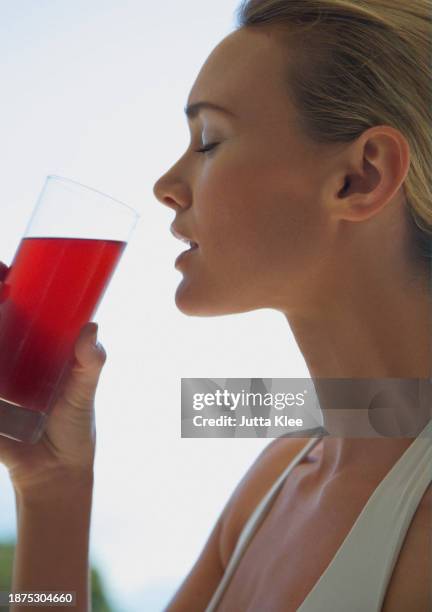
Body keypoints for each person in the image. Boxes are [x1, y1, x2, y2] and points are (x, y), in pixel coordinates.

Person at [0, 0, 431, 610]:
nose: (166, 186)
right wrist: (51, 488)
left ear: (359, 177)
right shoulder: (275, 482)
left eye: (207, 141)